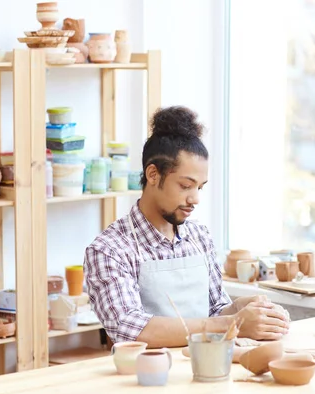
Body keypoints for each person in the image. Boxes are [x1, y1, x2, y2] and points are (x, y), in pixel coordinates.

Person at [84, 106, 290, 348]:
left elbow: (215, 309)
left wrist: (239, 308)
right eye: (185, 186)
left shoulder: (199, 237)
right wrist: (233, 323)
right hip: (147, 379)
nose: (195, 199)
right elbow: (130, 329)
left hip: (207, 368)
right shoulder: (109, 249)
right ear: (152, 175)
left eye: (199, 187)